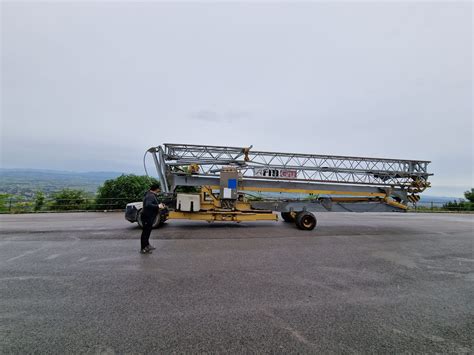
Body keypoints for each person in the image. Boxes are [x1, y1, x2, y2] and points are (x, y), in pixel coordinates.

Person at [139, 183, 164, 254]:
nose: (159, 190)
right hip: (147, 216)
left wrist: (159, 205)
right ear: (156, 189)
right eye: (159, 188)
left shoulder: (150, 194)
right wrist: (158, 206)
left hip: (149, 216)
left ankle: (147, 245)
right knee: (145, 233)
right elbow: (148, 204)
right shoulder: (150, 196)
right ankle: (143, 248)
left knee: (148, 232)